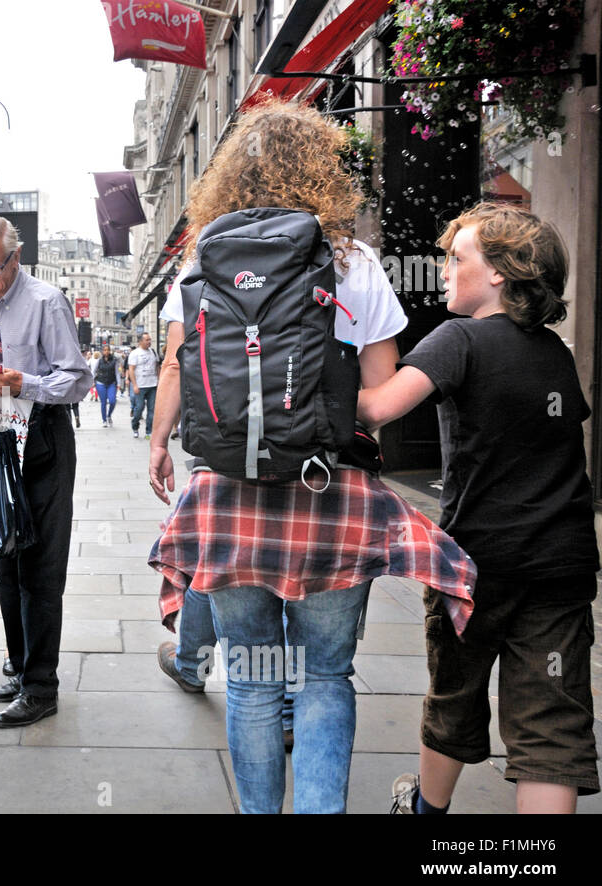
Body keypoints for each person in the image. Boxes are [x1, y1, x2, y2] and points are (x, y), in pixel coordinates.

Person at [146, 99, 477, 813]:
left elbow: (177, 366)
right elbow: (382, 390)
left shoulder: (204, 255)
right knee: (326, 675)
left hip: (228, 490)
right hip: (333, 492)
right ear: (320, 173)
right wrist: (317, 406)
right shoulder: (353, 262)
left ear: (231, 176)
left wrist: (158, 443)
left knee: (253, 677)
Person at [358, 203, 600, 813]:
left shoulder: (457, 338)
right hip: (561, 565)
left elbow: (380, 409)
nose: (442, 270)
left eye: (456, 257)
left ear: (498, 272)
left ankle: (426, 813)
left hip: (475, 565)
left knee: (456, 694)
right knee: (551, 724)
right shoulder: (554, 351)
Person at [0, 215, 93, 727]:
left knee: (41, 569)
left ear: (15, 257)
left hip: (42, 439)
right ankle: (19, 669)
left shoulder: (46, 301)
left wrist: (25, 382)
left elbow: (76, 379)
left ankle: (42, 687)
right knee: (7, 562)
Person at [127, 332, 158, 438]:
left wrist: (159, 380)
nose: (149, 342)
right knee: (139, 408)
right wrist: (134, 385)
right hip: (140, 386)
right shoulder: (135, 353)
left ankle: (148, 431)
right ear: (140, 341)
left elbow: (157, 367)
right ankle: (135, 426)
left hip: (153, 385)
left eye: (150, 339)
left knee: (152, 410)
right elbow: (131, 370)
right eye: (147, 340)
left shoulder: (153, 352)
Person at [94, 346, 119, 427]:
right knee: (103, 402)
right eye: (105, 350)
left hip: (111, 383)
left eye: (108, 350)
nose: (106, 351)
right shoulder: (99, 361)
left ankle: (109, 415)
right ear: (102, 351)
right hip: (100, 383)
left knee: (112, 401)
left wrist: (118, 383)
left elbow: (117, 372)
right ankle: (104, 420)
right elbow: (93, 371)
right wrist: (92, 381)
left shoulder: (114, 360)